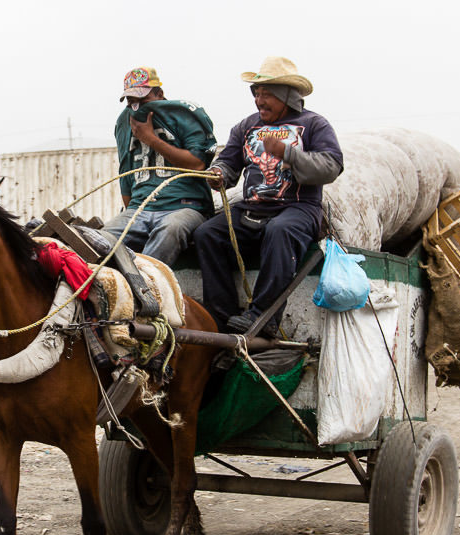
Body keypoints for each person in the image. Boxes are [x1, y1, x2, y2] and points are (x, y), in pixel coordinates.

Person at [194, 56, 343, 336]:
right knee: (207, 234)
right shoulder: (245, 126)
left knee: (280, 230)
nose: (259, 100)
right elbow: (228, 162)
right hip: (252, 208)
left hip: (298, 207)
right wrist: (219, 174)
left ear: (287, 96)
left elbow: (331, 166)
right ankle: (221, 316)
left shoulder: (313, 124)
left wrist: (288, 153)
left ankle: (263, 317)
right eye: (257, 93)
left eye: (266, 94)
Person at [104, 66, 217, 266]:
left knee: (170, 229)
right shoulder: (125, 121)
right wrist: (132, 209)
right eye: (132, 102)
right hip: (140, 209)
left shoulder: (183, 114)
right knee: (102, 238)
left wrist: (150, 138)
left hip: (183, 206)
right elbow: (126, 174)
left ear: (160, 94)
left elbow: (198, 163)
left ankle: (146, 288)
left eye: (143, 100)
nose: (138, 107)